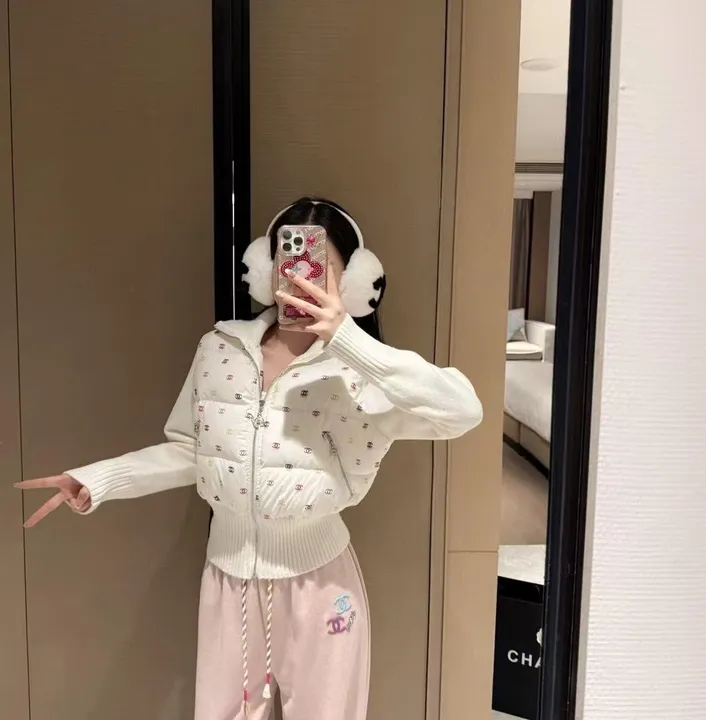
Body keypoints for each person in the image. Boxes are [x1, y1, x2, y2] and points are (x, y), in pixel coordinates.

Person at [16, 197, 483, 720]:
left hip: (320, 583)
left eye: (316, 266)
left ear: (351, 281)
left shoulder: (364, 373)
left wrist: (347, 338)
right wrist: (97, 480)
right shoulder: (220, 348)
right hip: (228, 580)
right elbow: (192, 450)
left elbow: (463, 412)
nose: (297, 278)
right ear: (266, 269)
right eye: (286, 261)